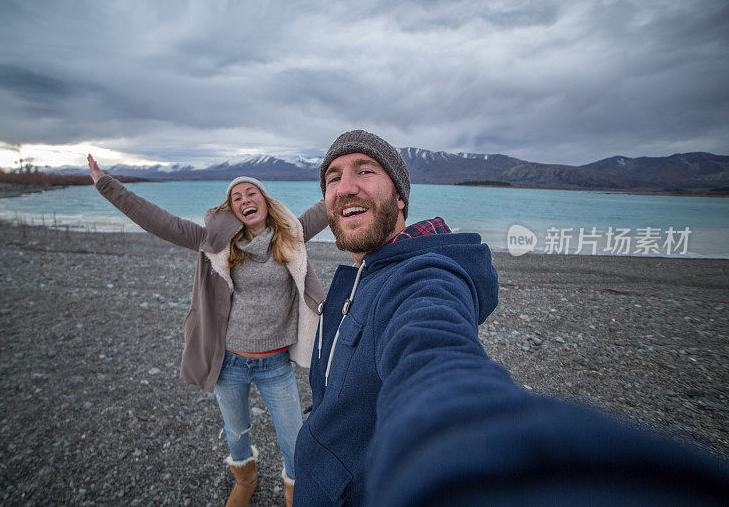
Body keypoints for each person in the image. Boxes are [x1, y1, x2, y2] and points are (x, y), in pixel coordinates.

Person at [293, 130, 729, 506]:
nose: (345, 186)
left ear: (401, 197)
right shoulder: (358, 274)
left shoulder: (421, 276)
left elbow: (430, 354)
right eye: (333, 178)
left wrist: (467, 453)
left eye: (364, 170)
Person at [87, 155, 327, 507]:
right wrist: (106, 184)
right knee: (236, 431)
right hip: (228, 363)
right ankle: (245, 480)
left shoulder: (292, 235)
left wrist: (370, 173)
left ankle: (295, 492)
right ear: (231, 210)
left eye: (252, 193)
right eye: (237, 197)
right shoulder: (214, 244)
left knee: (293, 439)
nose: (246, 199)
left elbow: (333, 200)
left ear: (266, 200)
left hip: (275, 364)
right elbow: (157, 220)